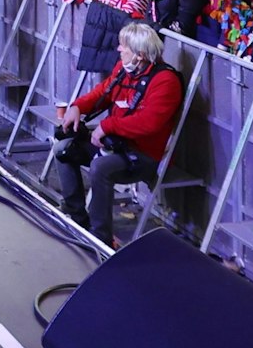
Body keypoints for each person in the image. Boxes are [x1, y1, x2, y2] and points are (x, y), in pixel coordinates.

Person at [52, 21, 183, 244]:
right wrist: (77, 107)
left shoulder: (165, 81)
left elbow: (149, 123)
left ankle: (100, 237)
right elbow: (103, 92)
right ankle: (77, 218)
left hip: (141, 156)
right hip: (114, 143)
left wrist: (108, 126)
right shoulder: (123, 70)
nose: (119, 50)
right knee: (63, 149)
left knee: (100, 167)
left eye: (124, 47)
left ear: (140, 55)